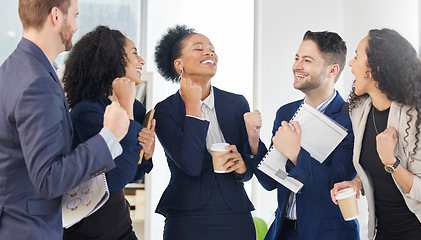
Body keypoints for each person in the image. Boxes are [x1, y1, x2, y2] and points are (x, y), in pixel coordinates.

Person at [0, 1, 130, 239]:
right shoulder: (37, 83)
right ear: (56, 16)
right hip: (29, 229)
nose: (77, 26)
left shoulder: (13, 68)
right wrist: (109, 136)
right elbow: (48, 179)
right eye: (75, 16)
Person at [244, 30, 359, 239]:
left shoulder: (351, 118)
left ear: (332, 70)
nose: (297, 66)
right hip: (284, 231)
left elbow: (337, 186)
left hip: (327, 234)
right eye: (297, 58)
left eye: (307, 60)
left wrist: (296, 153)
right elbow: (270, 181)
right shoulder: (286, 113)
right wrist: (253, 139)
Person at [331, 28, 421, 240]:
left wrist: (391, 162)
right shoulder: (360, 110)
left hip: (419, 233)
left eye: (356, 56)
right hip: (382, 232)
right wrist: (357, 183)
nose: (350, 64)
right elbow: (374, 170)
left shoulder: (419, 122)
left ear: (374, 69)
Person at [153, 25, 256, 240]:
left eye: (211, 49)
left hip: (235, 213)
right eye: (199, 49)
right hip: (187, 216)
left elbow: (249, 165)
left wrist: (243, 165)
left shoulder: (237, 103)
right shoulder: (165, 110)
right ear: (178, 64)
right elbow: (190, 165)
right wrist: (193, 108)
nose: (209, 53)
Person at [61, 25, 155, 240]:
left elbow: (131, 172)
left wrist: (146, 155)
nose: (141, 61)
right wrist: (127, 106)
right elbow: (117, 178)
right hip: (88, 230)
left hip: (120, 225)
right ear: (112, 58)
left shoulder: (135, 108)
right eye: (134, 53)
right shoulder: (86, 112)